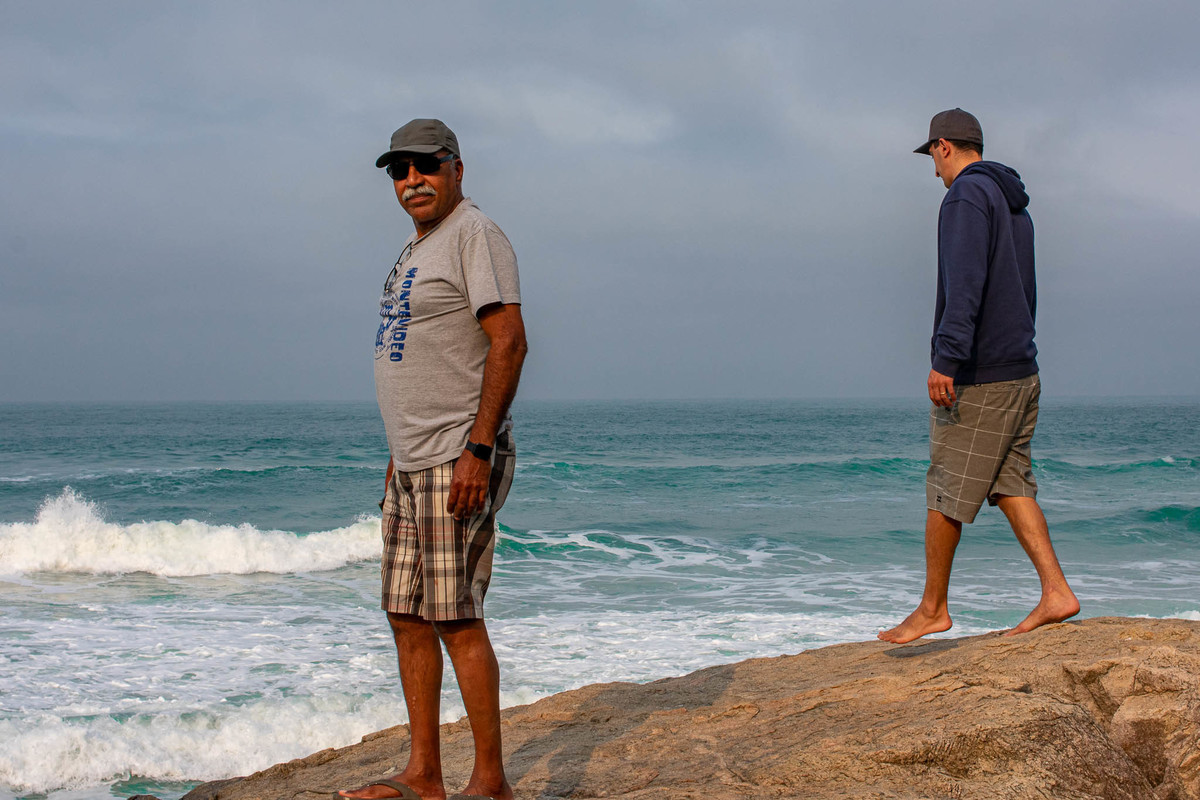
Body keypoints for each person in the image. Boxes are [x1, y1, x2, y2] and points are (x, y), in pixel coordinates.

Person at [339, 119, 527, 800]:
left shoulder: (474, 233)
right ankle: (423, 775)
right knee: (406, 614)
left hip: (458, 454)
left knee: (454, 616)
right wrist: (398, 453)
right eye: (400, 170)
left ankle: (490, 782)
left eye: (425, 166)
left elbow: (508, 341)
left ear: (456, 169)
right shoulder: (417, 246)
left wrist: (477, 448)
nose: (411, 179)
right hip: (412, 462)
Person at [879, 109, 1079, 645]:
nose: (934, 172)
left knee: (946, 486)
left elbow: (965, 284)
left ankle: (932, 609)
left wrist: (947, 357)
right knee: (1010, 482)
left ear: (945, 146)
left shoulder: (966, 197)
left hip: (982, 373)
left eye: (933, 158)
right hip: (1020, 368)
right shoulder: (1014, 203)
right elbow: (1022, 290)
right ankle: (1057, 592)